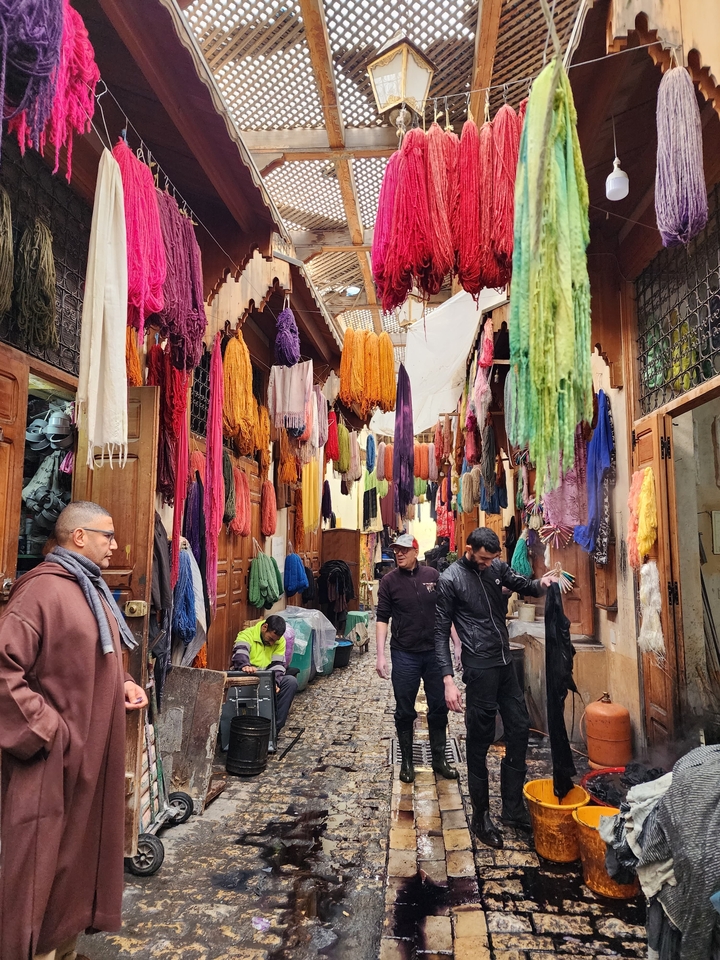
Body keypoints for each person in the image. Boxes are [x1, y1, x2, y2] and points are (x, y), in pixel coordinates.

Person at [0, 501, 148, 960]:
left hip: (91, 758)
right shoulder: (41, 592)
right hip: (51, 765)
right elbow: (4, 671)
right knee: (43, 866)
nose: (115, 544)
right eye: (108, 535)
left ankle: (65, 951)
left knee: (77, 865)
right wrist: (48, 732)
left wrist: (121, 682)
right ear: (79, 537)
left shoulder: (89, 587)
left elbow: (93, 655)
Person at [435, 527, 558, 849]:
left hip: (504, 663)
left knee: (518, 728)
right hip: (478, 668)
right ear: (469, 549)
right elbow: (438, 634)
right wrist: (448, 680)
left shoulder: (497, 568)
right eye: (483, 558)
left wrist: (544, 583)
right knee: (480, 740)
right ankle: (481, 816)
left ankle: (513, 809)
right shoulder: (450, 580)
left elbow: (526, 585)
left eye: (493, 559)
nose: (489, 564)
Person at [376, 533, 458, 783]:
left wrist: (457, 641)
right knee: (404, 710)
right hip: (404, 654)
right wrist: (380, 655)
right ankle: (408, 762)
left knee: (438, 707)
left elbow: (445, 612)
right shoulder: (389, 582)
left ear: (415, 550)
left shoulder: (432, 576)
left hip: (435, 653)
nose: (398, 554)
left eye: (403, 550)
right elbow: (382, 618)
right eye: (395, 550)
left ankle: (439, 760)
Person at [231, 615, 298, 734]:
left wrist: (275, 682)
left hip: (268, 678)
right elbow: (240, 652)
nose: (272, 643)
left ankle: (274, 729)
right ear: (264, 627)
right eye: (271, 639)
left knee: (291, 682)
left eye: (275, 641)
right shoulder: (246, 634)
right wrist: (245, 665)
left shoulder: (280, 641)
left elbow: (278, 664)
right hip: (248, 676)